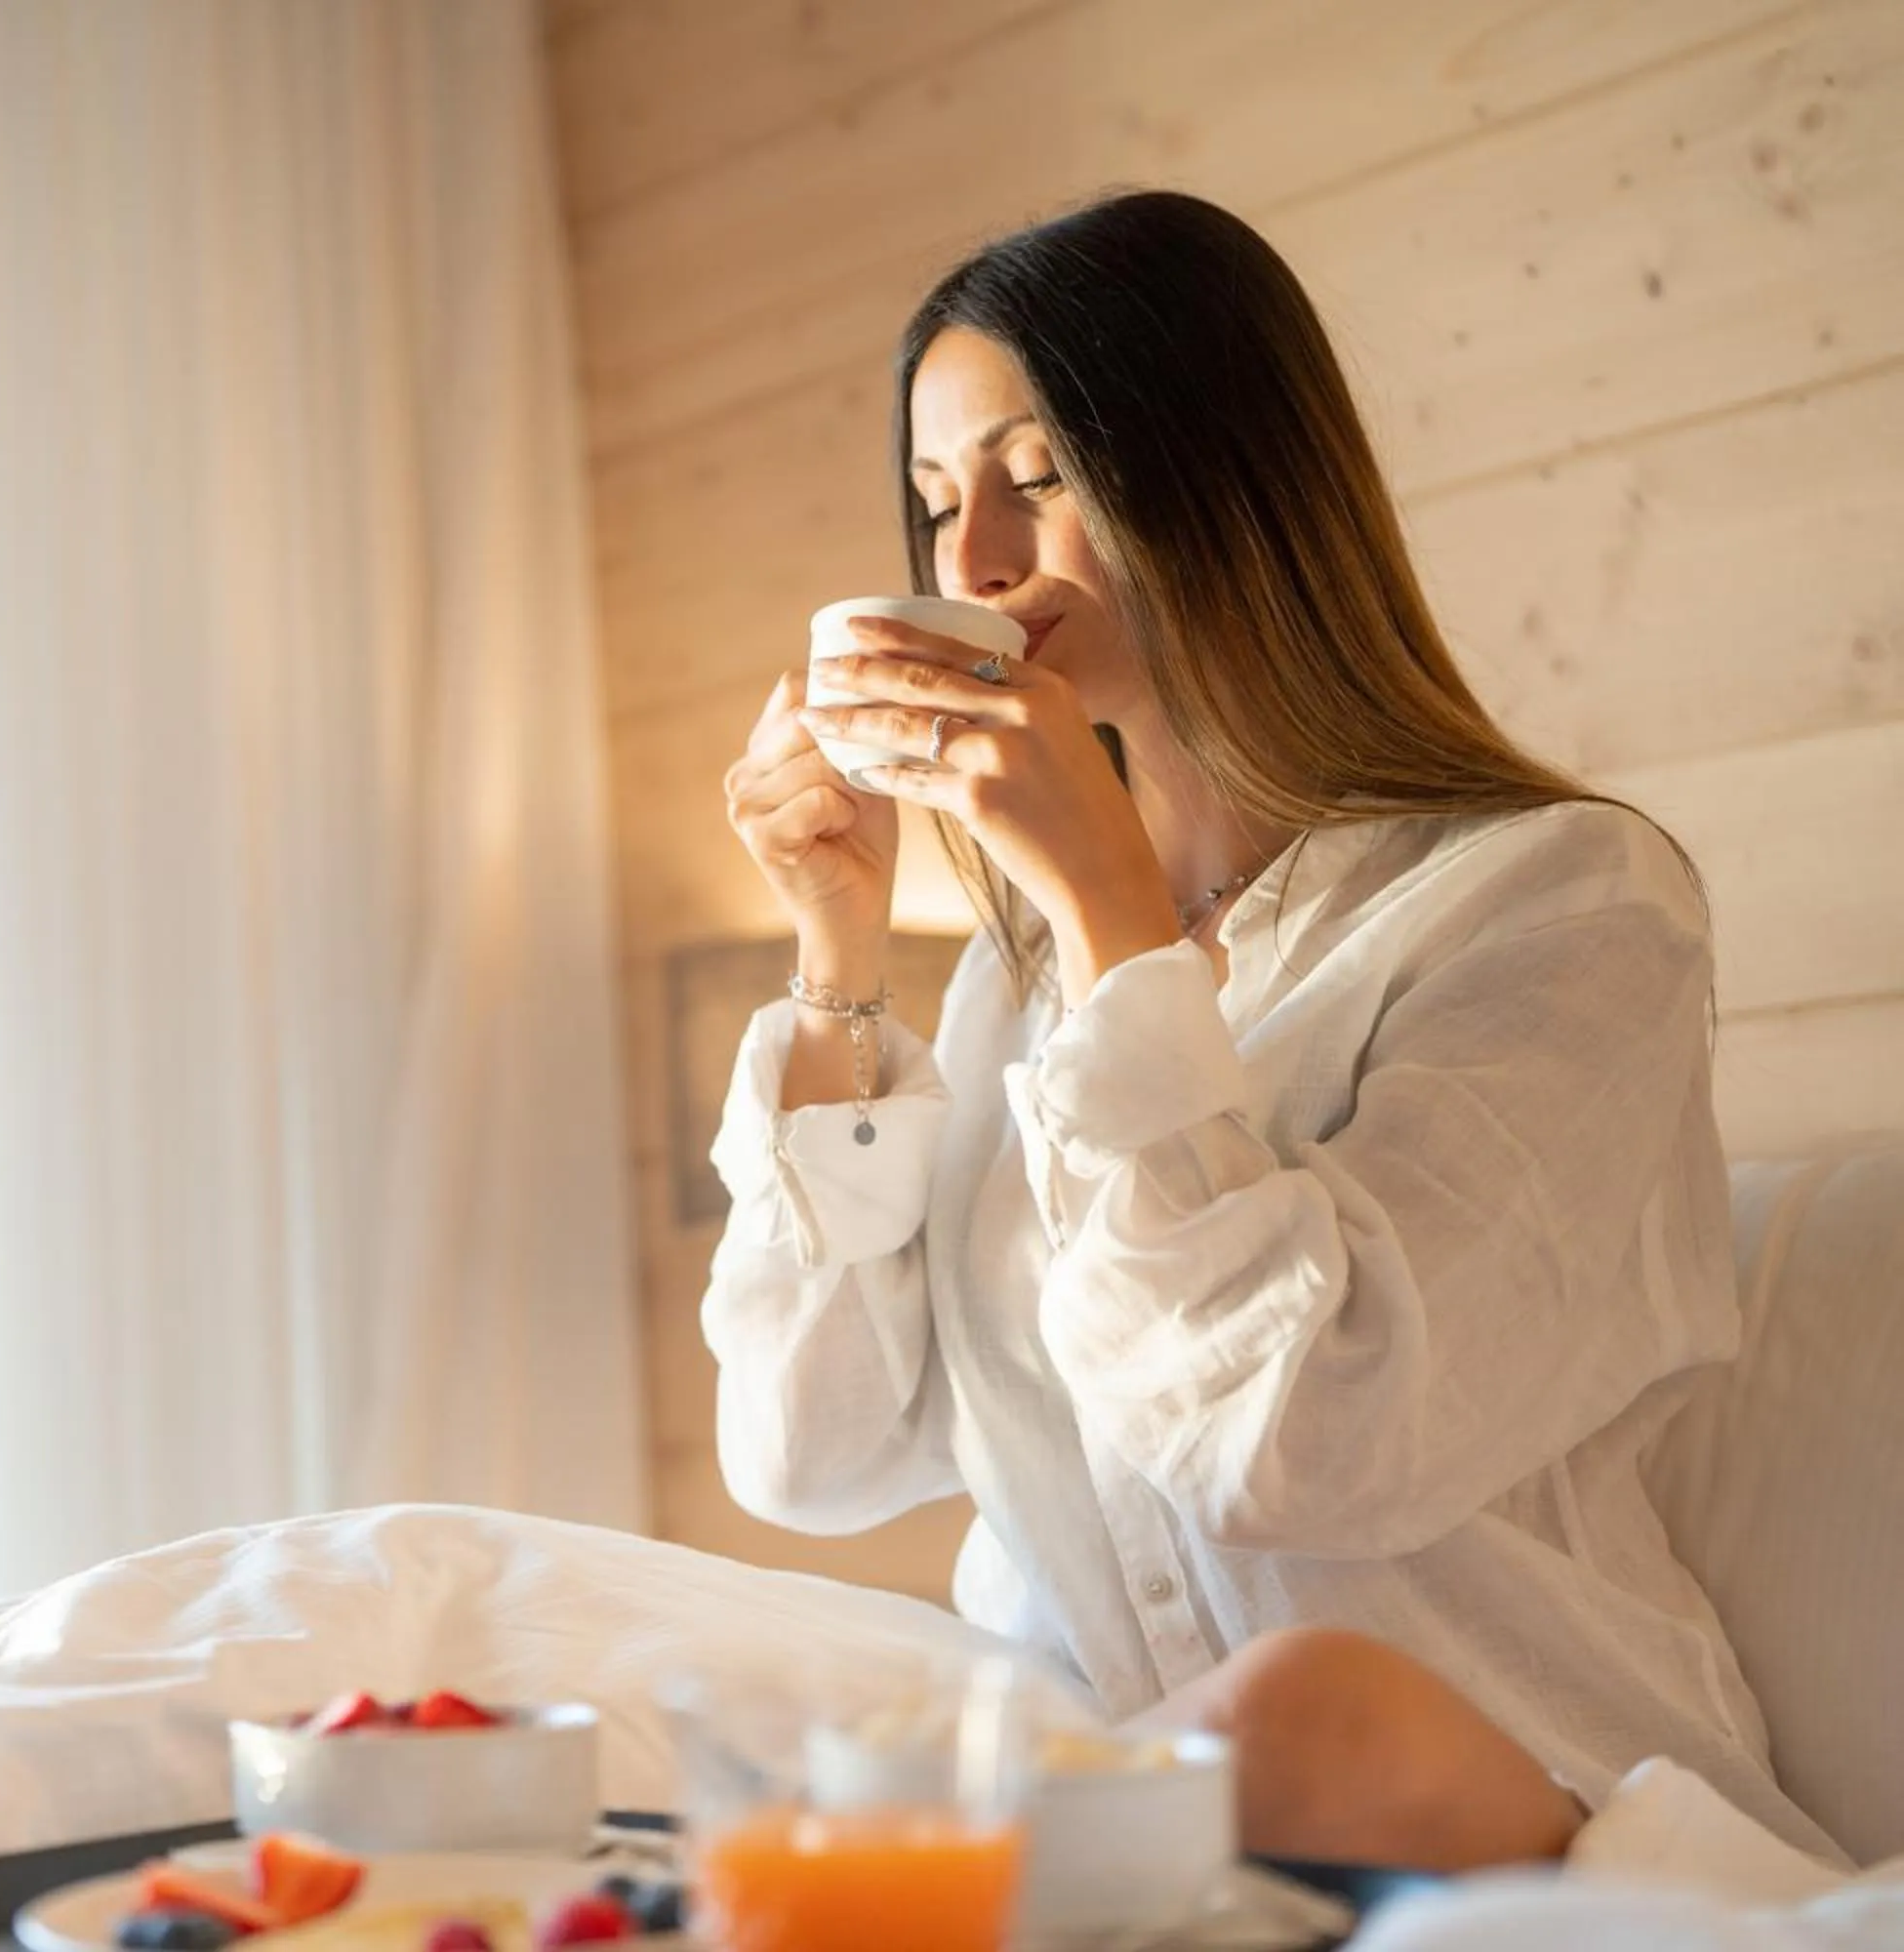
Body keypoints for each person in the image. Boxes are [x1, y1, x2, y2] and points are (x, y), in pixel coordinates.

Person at [706, 189, 1843, 1872]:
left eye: (1040, 477)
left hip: (1510, 1820)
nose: (976, 563)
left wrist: (1110, 922)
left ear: (1223, 480)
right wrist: (839, 950)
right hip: (1136, 1858)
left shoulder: (1563, 904)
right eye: (939, 503)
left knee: (1286, 1720)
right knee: (689, 1693)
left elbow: (1300, 1448)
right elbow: (810, 1459)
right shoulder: (1014, 992)